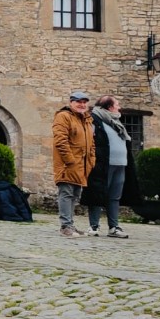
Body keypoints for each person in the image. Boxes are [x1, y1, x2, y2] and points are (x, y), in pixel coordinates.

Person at [82, 95, 136, 238]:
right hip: (103, 163)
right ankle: (94, 226)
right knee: (97, 194)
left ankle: (114, 227)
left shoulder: (115, 121)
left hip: (120, 164)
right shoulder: (95, 120)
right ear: (109, 107)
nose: (119, 107)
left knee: (114, 197)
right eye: (117, 104)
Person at [53, 91, 95, 238]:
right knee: (66, 193)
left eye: (84, 102)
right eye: (78, 102)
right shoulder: (63, 117)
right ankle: (65, 226)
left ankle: (70, 224)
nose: (82, 105)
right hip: (68, 164)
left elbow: (92, 143)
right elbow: (60, 141)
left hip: (82, 165)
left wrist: (92, 159)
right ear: (71, 103)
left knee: (75, 194)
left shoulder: (87, 120)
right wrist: (70, 160)